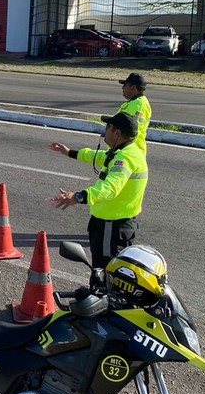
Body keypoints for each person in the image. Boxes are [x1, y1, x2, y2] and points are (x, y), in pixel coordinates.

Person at [48, 112, 148, 271]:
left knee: (105, 273)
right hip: (111, 222)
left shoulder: (125, 158)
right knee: (104, 273)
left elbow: (110, 188)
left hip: (112, 225)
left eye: (108, 127)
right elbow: (99, 156)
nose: (104, 131)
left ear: (117, 133)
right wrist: (69, 152)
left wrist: (79, 196)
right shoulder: (124, 151)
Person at [115, 72, 151, 154]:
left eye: (125, 85)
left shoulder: (138, 105)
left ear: (133, 87)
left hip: (130, 152)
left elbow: (133, 131)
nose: (122, 88)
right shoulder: (132, 103)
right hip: (125, 150)